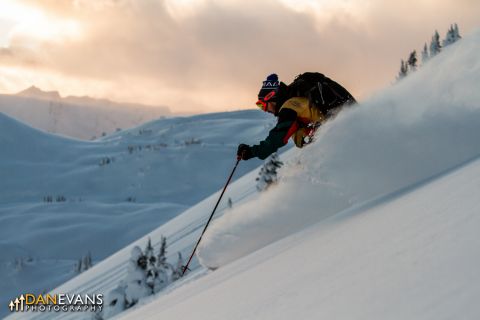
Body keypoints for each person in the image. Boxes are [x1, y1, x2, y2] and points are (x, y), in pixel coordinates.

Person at [237, 73, 355, 160]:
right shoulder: (296, 106)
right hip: (342, 135)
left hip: (342, 137)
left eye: (262, 105)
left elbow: (277, 137)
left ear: (272, 97)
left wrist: (252, 152)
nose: (265, 110)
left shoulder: (290, 106)